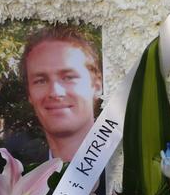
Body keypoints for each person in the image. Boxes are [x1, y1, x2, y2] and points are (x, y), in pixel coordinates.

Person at [7, 24, 103, 165]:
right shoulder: (21, 178)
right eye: (41, 80)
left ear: (96, 85)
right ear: (29, 94)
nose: (55, 92)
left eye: (68, 77)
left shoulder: (127, 167)